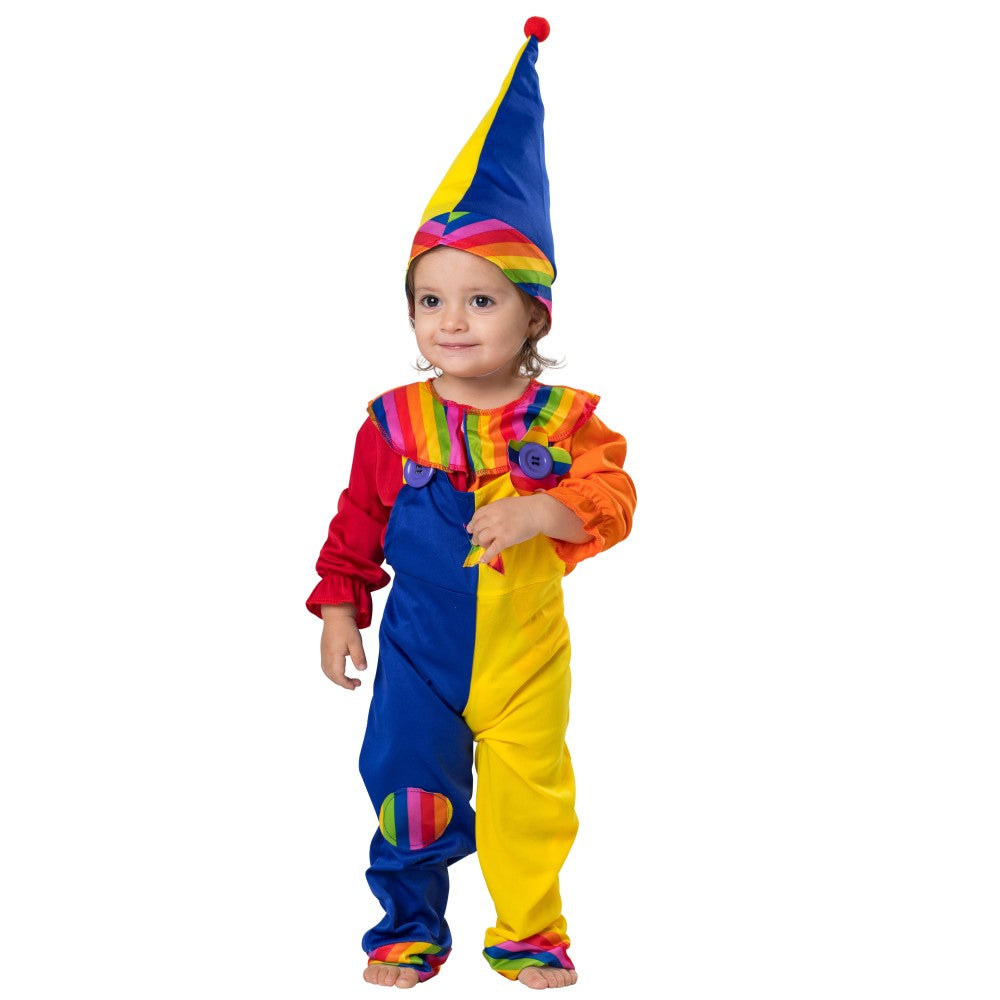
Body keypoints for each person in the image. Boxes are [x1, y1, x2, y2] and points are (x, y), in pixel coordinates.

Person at [306, 18, 636, 990]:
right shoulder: (394, 423)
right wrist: (338, 607)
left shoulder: (565, 423)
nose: (451, 321)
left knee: (534, 800)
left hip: (527, 659)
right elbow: (356, 524)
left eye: (481, 301)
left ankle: (530, 933)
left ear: (533, 314)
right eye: (430, 300)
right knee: (407, 791)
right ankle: (408, 927)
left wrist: (545, 512)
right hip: (420, 656)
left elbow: (615, 494)